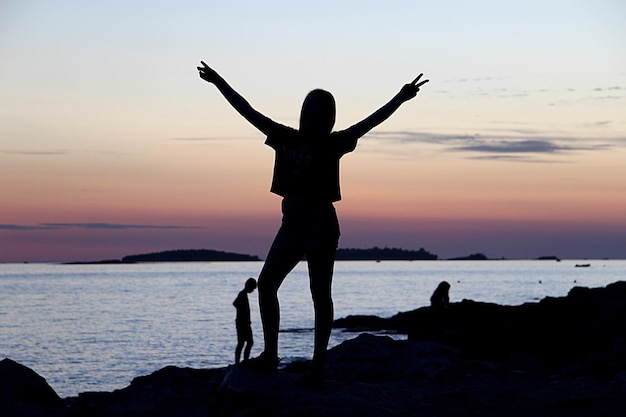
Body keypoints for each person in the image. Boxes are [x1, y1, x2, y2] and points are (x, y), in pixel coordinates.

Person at [198, 61, 428, 381]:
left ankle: (318, 365)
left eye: (319, 109)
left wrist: (400, 98)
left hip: (320, 223)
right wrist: (218, 82)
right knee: (266, 285)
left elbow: (369, 122)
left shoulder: (334, 143)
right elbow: (247, 111)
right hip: (291, 223)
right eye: (308, 107)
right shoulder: (283, 136)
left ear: (328, 116)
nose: (312, 113)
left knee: (319, 293)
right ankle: (270, 356)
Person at [233, 277, 257, 364]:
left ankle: (244, 360)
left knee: (247, 342)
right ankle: (239, 361)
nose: (253, 290)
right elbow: (235, 304)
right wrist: (241, 314)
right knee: (243, 342)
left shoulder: (243, 295)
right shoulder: (242, 294)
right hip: (242, 323)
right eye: (253, 288)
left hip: (244, 322)